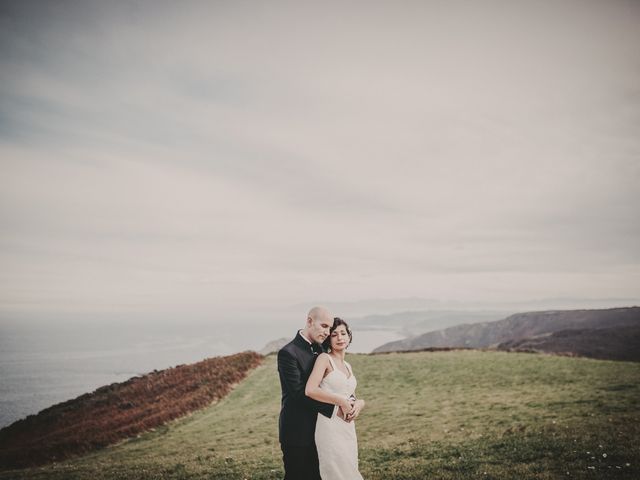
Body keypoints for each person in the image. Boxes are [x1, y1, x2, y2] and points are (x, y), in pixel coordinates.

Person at [278, 306, 342, 480]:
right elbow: (299, 394)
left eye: (330, 328)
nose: (328, 332)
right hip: (297, 432)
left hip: (322, 431)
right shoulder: (288, 353)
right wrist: (335, 408)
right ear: (309, 321)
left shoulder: (321, 350)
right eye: (324, 326)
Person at [305, 318, 365, 480]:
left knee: (350, 468)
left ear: (349, 336)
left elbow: (349, 394)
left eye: (343, 333)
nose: (340, 338)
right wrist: (341, 402)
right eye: (334, 334)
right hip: (329, 425)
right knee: (335, 471)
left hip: (347, 427)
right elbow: (310, 390)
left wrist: (360, 403)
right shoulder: (324, 358)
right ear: (328, 339)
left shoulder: (347, 365)